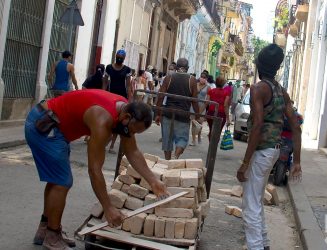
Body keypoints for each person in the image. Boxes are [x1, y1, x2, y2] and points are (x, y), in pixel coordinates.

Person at [25, 89, 169, 250]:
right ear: (127, 118)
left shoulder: (124, 111)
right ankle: (52, 235)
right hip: (44, 126)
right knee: (62, 182)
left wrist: (153, 181)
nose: (131, 134)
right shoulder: (102, 121)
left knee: (57, 180)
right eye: (133, 130)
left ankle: (46, 230)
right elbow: (94, 170)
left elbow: (132, 151)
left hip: (52, 125)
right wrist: (108, 208)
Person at [236, 44, 302, 250]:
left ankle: (256, 246)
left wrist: (244, 163)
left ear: (259, 65)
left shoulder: (258, 89)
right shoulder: (281, 91)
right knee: (256, 199)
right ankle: (263, 243)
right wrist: (297, 161)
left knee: (250, 204)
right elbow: (296, 127)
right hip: (274, 150)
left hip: (261, 151)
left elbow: (256, 126)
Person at [155, 58, 200, 160]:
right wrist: (197, 115)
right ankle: (175, 157)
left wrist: (158, 113)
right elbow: (194, 100)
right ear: (187, 68)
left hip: (168, 113)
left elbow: (160, 96)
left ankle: (168, 162)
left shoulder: (169, 77)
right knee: (182, 140)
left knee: (167, 140)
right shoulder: (192, 80)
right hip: (183, 115)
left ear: (175, 67)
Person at [103, 49, 132, 153]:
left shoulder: (127, 70)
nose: (119, 58)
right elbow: (105, 82)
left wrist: (129, 99)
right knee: (108, 118)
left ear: (124, 58)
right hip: (110, 96)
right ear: (115, 56)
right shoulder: (109, 67)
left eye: (121, 57)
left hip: (121, 97)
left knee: (118, 120)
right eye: (118, 56)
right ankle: (105, 141)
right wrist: (102, 94)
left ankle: (111, 145)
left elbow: (128, 86)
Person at [206, 76, 230, 140]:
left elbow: (207, 102)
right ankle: (214, 147)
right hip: (221, 114)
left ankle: (210, 146)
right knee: (218, 132)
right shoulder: (226, 93)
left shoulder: (211, 91)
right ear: (223, 84)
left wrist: (202, 113)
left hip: (211, 112)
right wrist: (228, 118)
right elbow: (225, 105)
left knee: (211, 130)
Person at [189, 72, 210, 146]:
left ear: (206, 79)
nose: (202, 78)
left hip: (202, 106)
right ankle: (193, 140)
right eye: (201, 77)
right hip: (194, 105)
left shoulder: (208, 87)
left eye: (204, 77)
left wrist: (201, 110)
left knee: (200, 123)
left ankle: (199, 136)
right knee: (194, 123)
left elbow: (207, 100)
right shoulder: (196, 84)